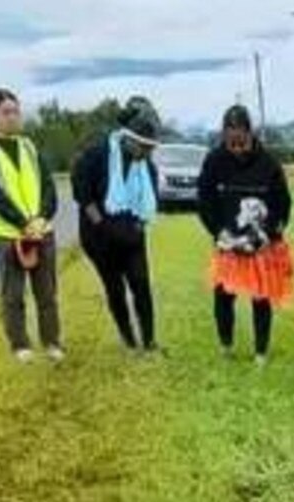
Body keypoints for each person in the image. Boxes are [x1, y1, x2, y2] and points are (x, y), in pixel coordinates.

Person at [197, 105, 294, 366]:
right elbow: (205, 201)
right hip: (228, 241)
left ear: (250, 134)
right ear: (224, 136)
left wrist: (265, 234)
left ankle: (261, 352)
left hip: (259, 243)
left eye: (241, 141)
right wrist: (219, 232)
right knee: (223, 295)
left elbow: (282, 205)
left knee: (260, 297)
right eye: (231, 142)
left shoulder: (269, 163)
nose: (236, 147)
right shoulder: (214, 160)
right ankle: (226, 345)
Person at [0, 88, 62, 363]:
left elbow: (48, 186)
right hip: (7, 233)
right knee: (13, 294)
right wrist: (22, 223)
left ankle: (52, 342)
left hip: (40, 229)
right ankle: (20, 345)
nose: (12, 117)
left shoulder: (29, 146)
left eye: (15, 111)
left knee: (47, 292)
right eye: (5, 112)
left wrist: (42, 218)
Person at [71, 97, 162, 351]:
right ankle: (128, 338)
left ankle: (149, 340)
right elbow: (82, 194)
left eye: (151, 148)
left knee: (141, 284)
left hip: (131, 238)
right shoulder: (97, 155)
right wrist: (102, 226)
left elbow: (149, 205)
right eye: (144, 146)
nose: (147, 153)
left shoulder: (147, 168)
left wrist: (138, 228)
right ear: (128, 138)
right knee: (115, 288)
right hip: (99, 237)